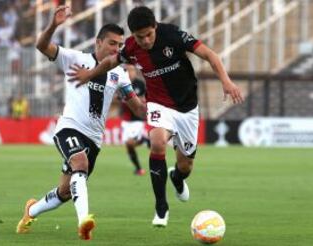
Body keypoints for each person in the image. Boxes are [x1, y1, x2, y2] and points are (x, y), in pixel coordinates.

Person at [68, 6, 244, 227]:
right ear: (133, 35)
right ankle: (161, 206)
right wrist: (90, 74)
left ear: (155, 27)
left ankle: (177, 178)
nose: (145, 41)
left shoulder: (173, 34)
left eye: (149, 34)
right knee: (158, 143)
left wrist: (226, 81)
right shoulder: (132, 47)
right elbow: (111, 62)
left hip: (187, 107)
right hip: (159, 104)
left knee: (185, 166)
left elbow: (210, 55)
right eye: (140, 37)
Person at [16, 6, 145, 240]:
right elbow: (41, 46)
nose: (116, 49)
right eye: (112, 43)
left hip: (94, 139)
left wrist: (161, 110)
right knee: (80, 162)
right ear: (98, 42)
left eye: (119, 45)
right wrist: (53, 25)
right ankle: (84, 221)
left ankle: (31, 211)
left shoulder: (121, 74)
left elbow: (137, 107)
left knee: (65, 192)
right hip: (69, 128)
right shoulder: (75, 59)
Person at [120, 65, 149, 176]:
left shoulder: (139, 84)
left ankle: (144, 140)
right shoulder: (121, 83)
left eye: (131, 70)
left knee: (130, 143)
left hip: (137, 119)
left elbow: (145, 99)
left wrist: (138, 100)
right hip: (126, 120)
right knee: (128, 146)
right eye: (127, 70)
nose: (129, 72)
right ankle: (138, 169)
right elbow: (117, 100)